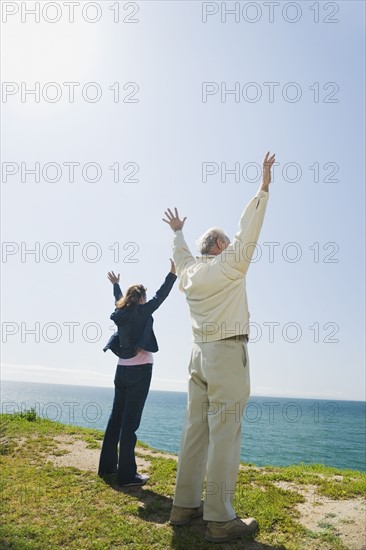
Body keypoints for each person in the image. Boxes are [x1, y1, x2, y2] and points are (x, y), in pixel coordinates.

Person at [163, 151, 275, 543]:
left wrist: (177, 231)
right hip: (227, 354)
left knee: (195, 430)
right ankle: (220, 518)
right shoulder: (231, 265)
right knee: (225, 433)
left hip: (198, 356)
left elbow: (180, 255)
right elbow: (250, 231)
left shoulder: (190, 274)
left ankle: (183, 506)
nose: (232, 243)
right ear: (221, 246)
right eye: (227, 241)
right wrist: (262, 189)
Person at [98, 261, 177, 487]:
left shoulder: (121, 311)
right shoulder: (143, 310)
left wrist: (115, 285)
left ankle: (107, 468)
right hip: (140, 372)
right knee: (129, 424)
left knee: (116, 420)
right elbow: (161, 296)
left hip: (121, 371)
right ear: (141, 298)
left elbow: (119, 299)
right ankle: (127, 476)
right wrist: (171, 274)